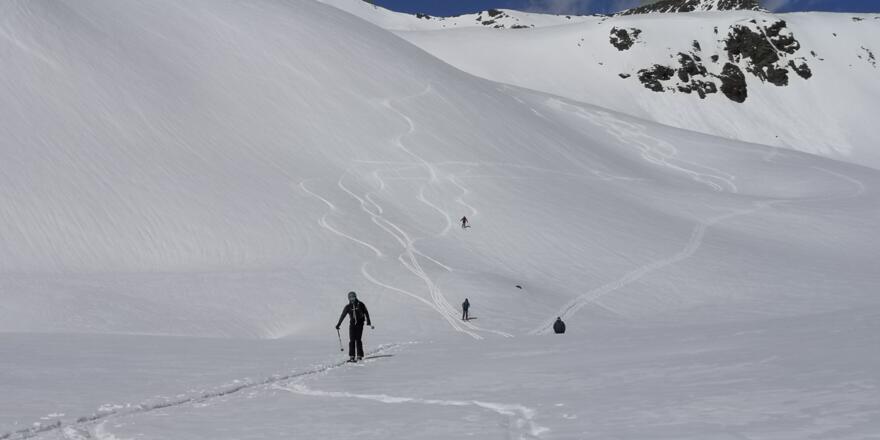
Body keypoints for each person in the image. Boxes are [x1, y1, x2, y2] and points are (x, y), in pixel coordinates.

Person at [335, 291, 373, 362]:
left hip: (360, 323)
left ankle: (359, 355)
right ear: (348, 298)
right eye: (350, 298)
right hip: (352, 324)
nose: (352, 299)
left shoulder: (360, 304)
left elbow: (366, 312)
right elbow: (343, 315)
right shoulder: (348, 307)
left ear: (356, 297)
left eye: (353, 297)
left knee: (358, 339)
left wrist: (368, 321)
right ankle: (352, 356)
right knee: (352, 340)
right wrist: (338, 324)